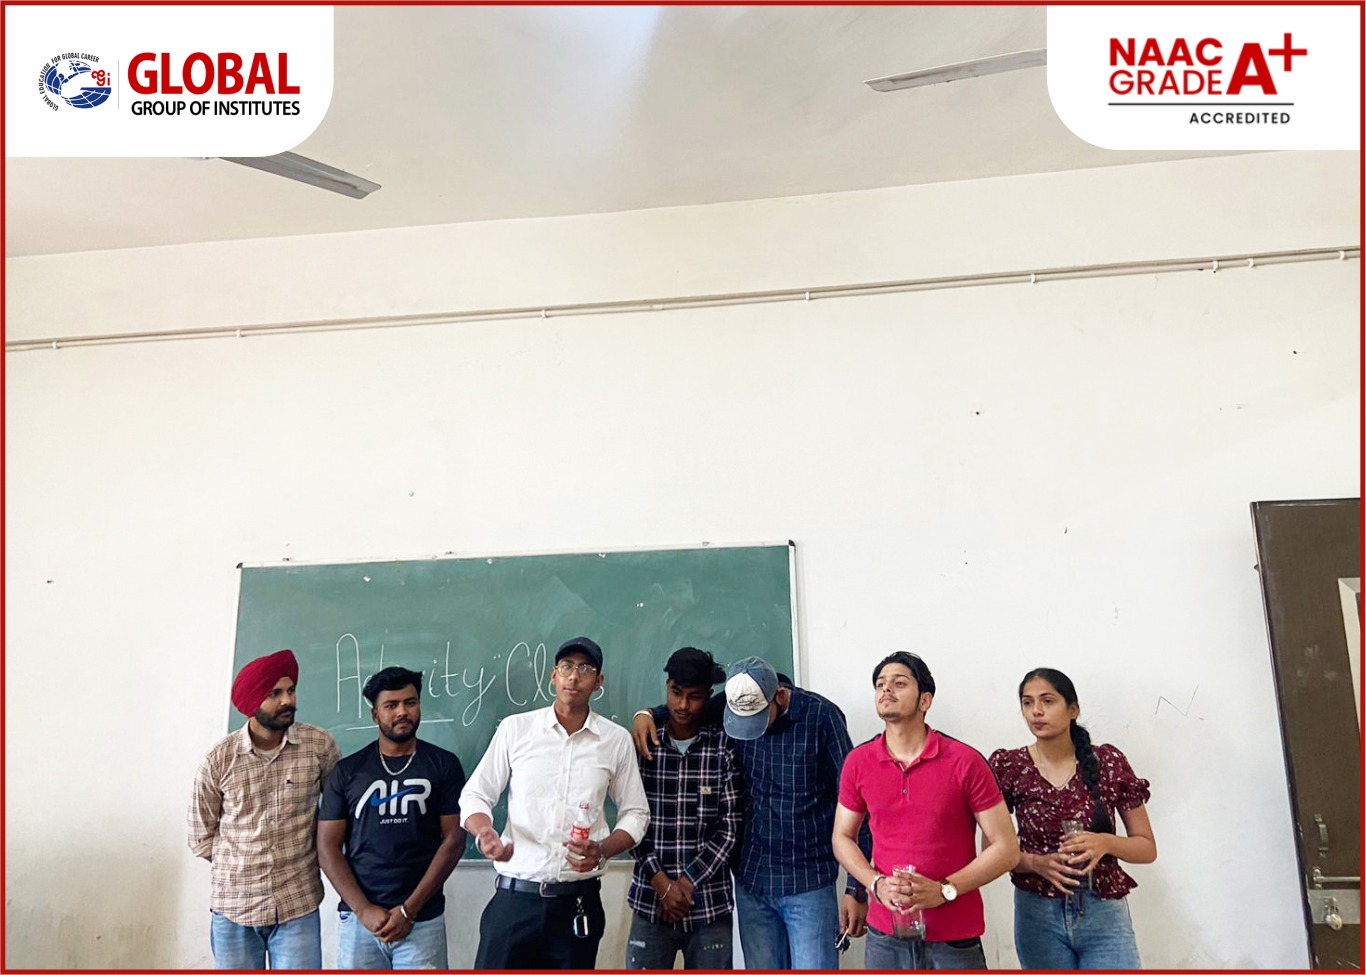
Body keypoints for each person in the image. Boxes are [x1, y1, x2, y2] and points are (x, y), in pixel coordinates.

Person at [635, 655, 871, 970]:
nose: (750, 730)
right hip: (753, 882)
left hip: (808, 883)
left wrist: (857, 888)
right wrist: (647, 714)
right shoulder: (730, 702)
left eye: (758, 719)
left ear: (780, 696)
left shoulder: (822, 718)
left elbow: (856, 804)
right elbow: (686, 707)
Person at [459, 636, 651, 970]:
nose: (574, 676)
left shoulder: (615, 740)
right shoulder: (516, 729)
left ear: (599, 682)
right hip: (514, 901)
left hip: (576, 905)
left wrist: (603, 849)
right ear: (553, 676)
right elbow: (475, 794)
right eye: (566, 667)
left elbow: (636, 813)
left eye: (585, 669)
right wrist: (484, 831)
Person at [833, 651, 1019, 970]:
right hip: (885, 936)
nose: (886, 689)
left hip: (954, 938)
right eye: (880, 684)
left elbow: (1007, 849)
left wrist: (945, 889)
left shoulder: (965, 762)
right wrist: (875, 884)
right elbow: (842, 837)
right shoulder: (858, 762)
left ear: (925, 700)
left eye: (899, 683)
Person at [988, 668, 1156, 970]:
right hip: (1037, 910)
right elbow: (991, 851)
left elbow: (1146, 848)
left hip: (1102, 907)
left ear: (1073, 709)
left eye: (1048, 701)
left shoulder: (1107, 762)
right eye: (1027, 703)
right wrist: (1034, 863)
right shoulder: (1009, 766)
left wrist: (1105, 843)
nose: (1036, 711)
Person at [188, 649, 341, 970]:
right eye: (275, 694)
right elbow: (201, 837)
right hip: (234, 908)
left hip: (297, 903)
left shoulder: (318, 746)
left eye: (291, 690)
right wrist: (242, 863)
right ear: (252, 701)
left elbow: (338, 814)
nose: (287, 700)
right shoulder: (220, 759)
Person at [317, 666, 467, 969]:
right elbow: (327, 846)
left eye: (410, 703)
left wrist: (409, 910)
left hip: (423, 920)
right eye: (391, 705)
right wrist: (363, 909)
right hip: (359, 921)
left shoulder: (444, 765)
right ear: (375, 715)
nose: (402, 712)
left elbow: (454, 840)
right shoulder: (347, 771)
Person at [626, 648, 743, 970]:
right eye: (676, 693)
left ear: (708, 696)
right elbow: (631, 820)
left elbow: (730, 827)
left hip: (709, 906)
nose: (682, 705)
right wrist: (661, 884)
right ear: (666, 687)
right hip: (650, 902)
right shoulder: (643, 745)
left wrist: (686, 883)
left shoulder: (723, 748)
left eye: (694, 697)